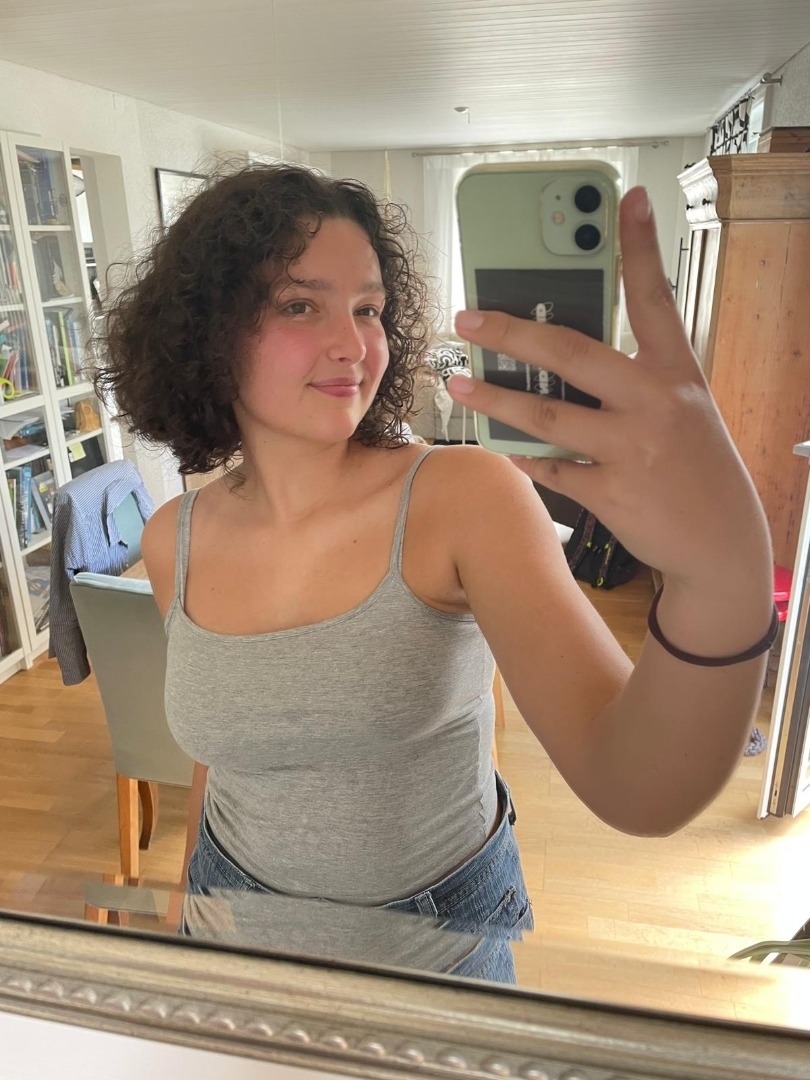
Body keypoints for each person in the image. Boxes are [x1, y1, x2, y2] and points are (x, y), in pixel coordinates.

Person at [94, 163, 774, 984]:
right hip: (227, 942)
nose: (354, 345)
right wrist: (183, 912)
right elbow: (224, 756)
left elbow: (640, 787)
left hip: (435, 970)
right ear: (209, 330)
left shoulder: (463, 497)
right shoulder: (174, 539)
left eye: (368, 308)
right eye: (300, 305)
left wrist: (720, 578)